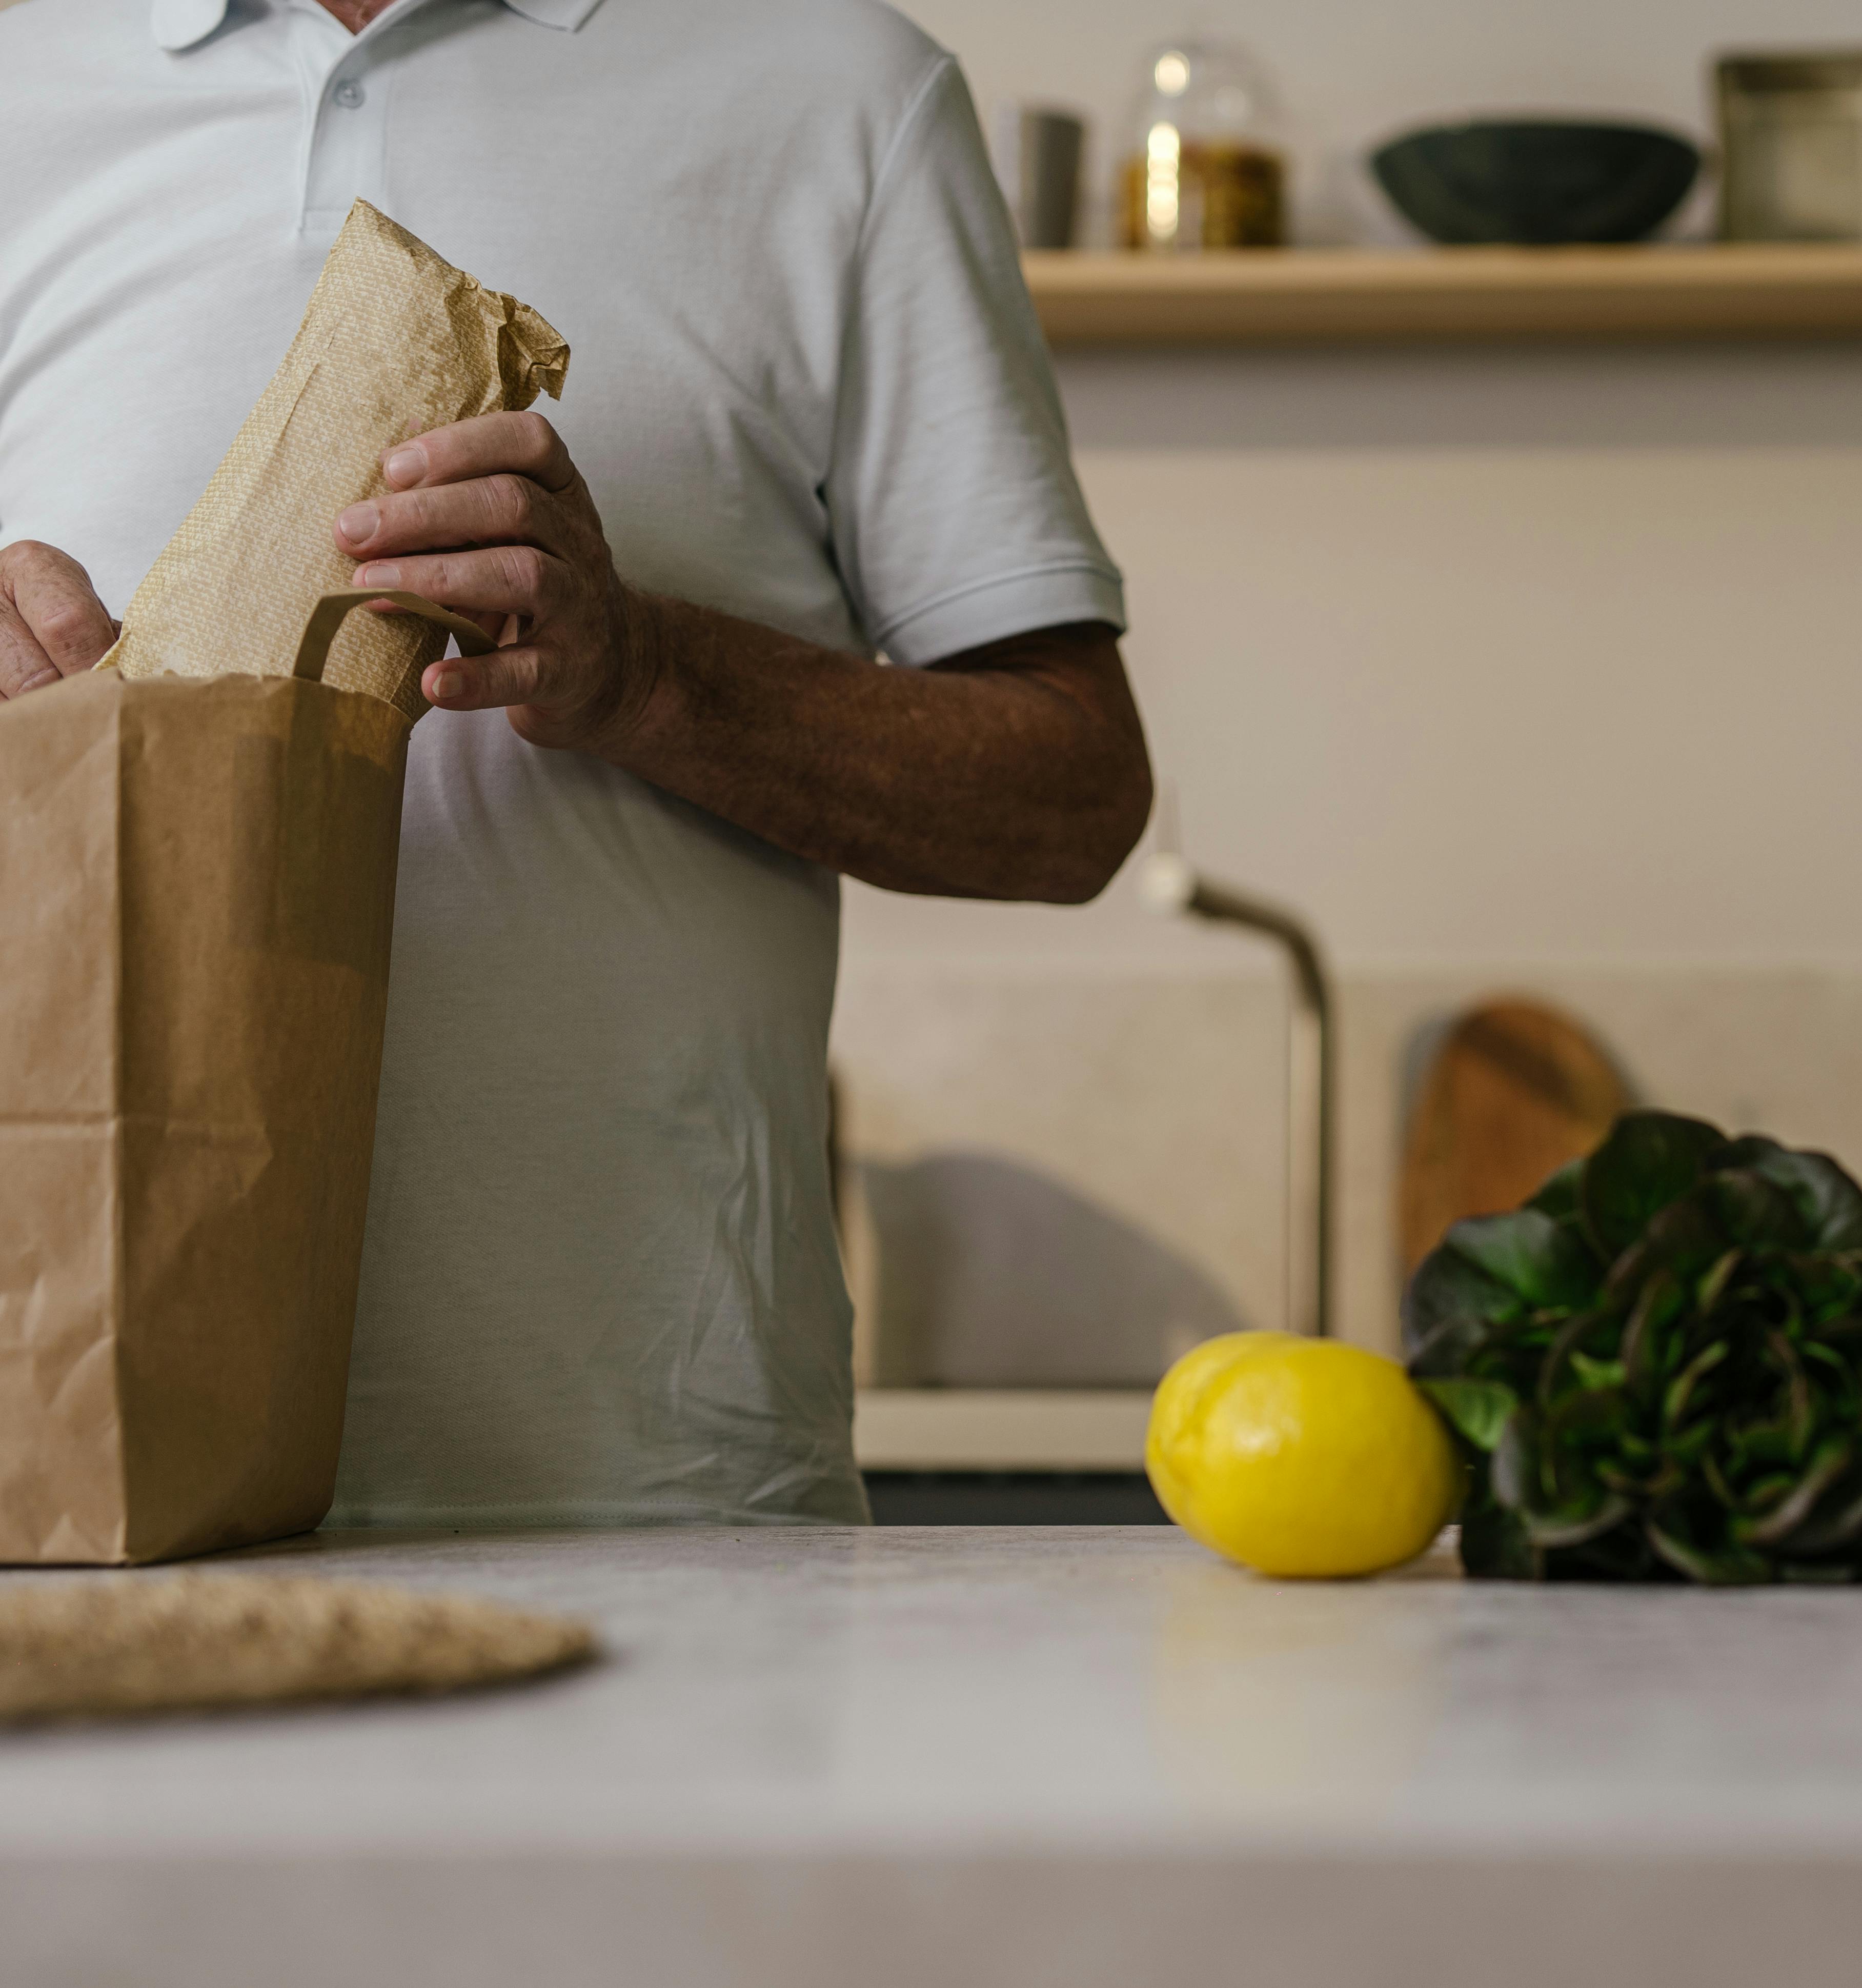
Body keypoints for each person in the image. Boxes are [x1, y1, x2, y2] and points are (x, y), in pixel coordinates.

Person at [0, 0, 1152, 1526]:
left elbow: (1072, 798)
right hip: (83, 1469)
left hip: (655, 1496)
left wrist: (651, 673)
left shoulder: (838, 92)